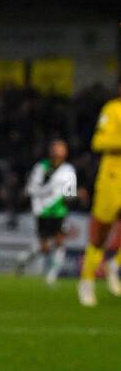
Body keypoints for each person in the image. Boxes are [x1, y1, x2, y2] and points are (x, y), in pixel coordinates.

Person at [77, 80, 121, 306]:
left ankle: (114, 265)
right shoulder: (112, 109)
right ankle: (87, 281)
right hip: (114, 175)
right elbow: (98, 141)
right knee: (101, 233)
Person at [15, 138, 75, 284]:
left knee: (60, 241)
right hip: (43, 211)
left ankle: (51, 276)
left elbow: (70, 192)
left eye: (62, 148)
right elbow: (31, 189)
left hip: (60, 211)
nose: (59, 151)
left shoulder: (68, 170)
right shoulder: (41, 167)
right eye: (57, 148)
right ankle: (25, 257)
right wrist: (45, 191)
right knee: (45, 247)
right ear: (51, 151)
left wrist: (70, 198)